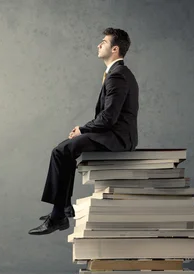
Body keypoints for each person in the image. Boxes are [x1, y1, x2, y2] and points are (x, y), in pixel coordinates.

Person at [28, 27, 139, 236]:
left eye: (104, 42)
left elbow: (108, 118)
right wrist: (83, 130)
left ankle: (58, 215)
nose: (99, 45)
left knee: (61, 151)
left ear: (115, 49)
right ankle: (63, 207)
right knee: (64, 149)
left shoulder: (118, 76)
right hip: (112, 134)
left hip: (117, 139)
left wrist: (82, 129)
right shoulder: (116, 73)